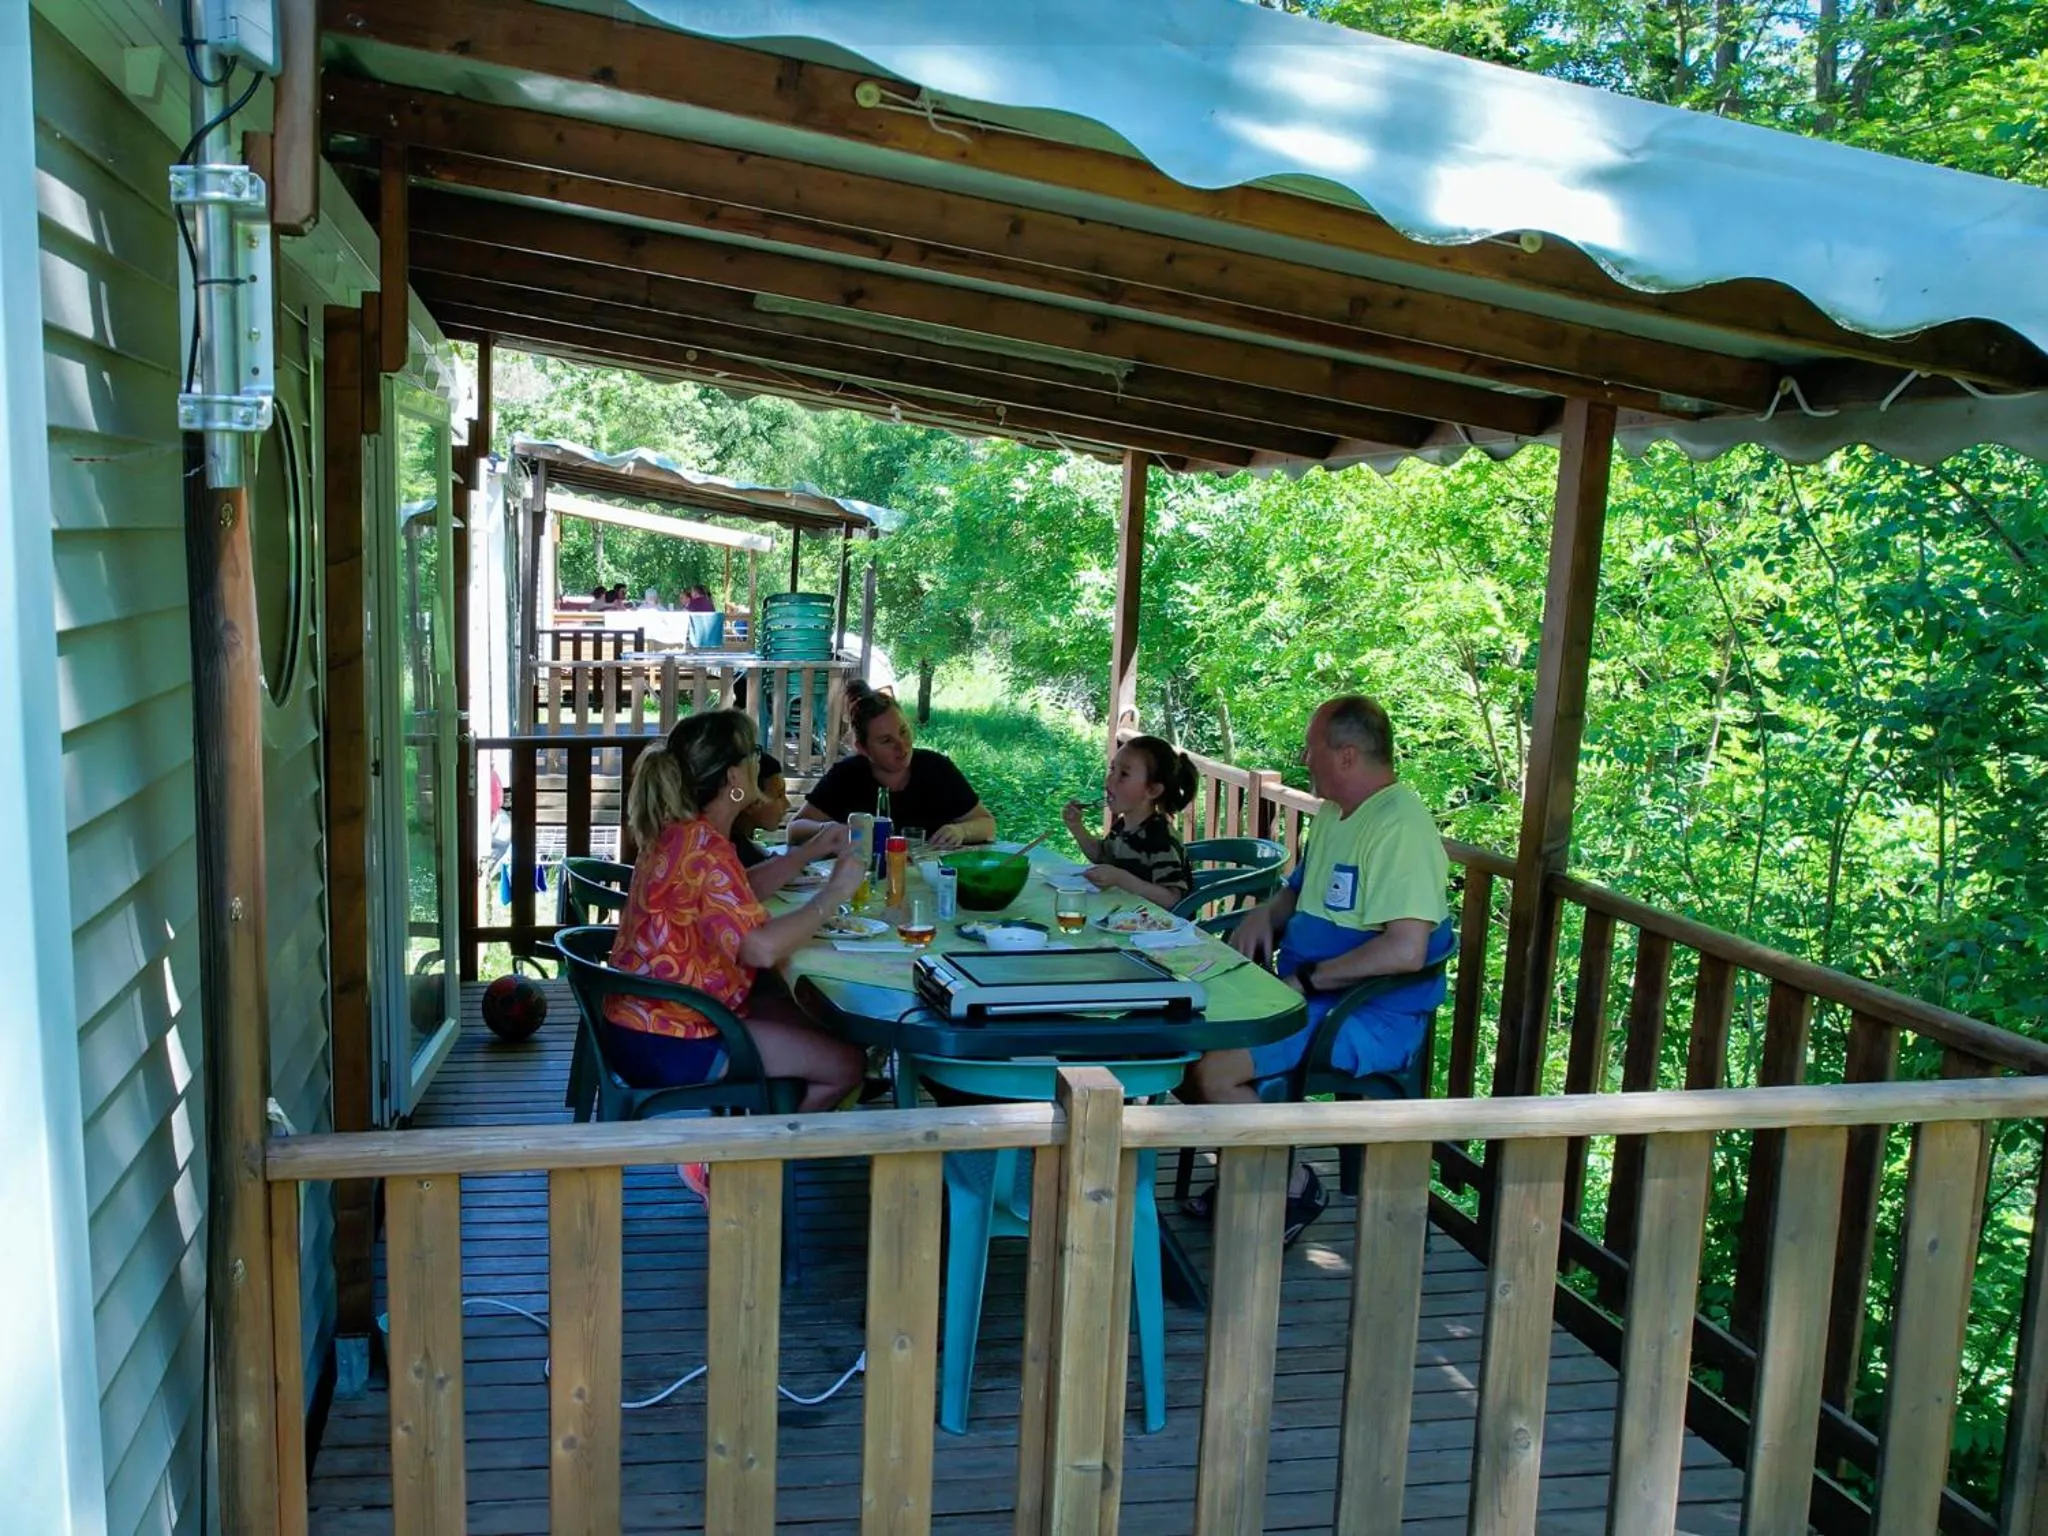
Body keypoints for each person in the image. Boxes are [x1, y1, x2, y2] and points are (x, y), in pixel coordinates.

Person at [1179, 695, 1453, 1244]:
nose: (1305, 759)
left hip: (1366, 1011)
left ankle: (1293, 1183)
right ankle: (1252, 1179)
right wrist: (1266, 914)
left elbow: (1405, 951)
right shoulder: (1334, 813)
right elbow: (1298, 891)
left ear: (1347, 756)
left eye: (1312, 749)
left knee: (1212, 1070)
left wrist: (1306, 980)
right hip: (1302, 994)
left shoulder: (1401, 828)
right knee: (1180, 1051)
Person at [606, 710, 867, 1129]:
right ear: (732, 778)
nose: (757, 764)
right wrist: (834, 892)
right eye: (753, 754)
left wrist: (808, 851)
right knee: (846, 1064)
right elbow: (761, 949)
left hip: (637, 1021)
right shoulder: (706, 848)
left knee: (821, 1020)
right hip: (675, 1039)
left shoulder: (682, 833)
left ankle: (756, 1133)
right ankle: (750, 1168)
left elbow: (736, 889)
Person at [790, 691, 996, 849]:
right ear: (863, 749)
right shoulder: (847, 775)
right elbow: (795, 829)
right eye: (886, 740)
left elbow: (987, 824)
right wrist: (833, 830)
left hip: (929, 882)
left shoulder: (936, 768)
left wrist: (961, 830)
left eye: (904, 731)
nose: (902, 746)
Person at [1062, 735, 1196, 908]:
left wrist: (1121, 879)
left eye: (1124, 774)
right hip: (1123, 917)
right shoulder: (1122, 826)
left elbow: (1171, 899)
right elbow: (1101, 855)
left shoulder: (1161, 839)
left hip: (1158, 929)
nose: (1110, 779)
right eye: (1112, 769)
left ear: (1152, 790)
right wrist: (1077, 827)